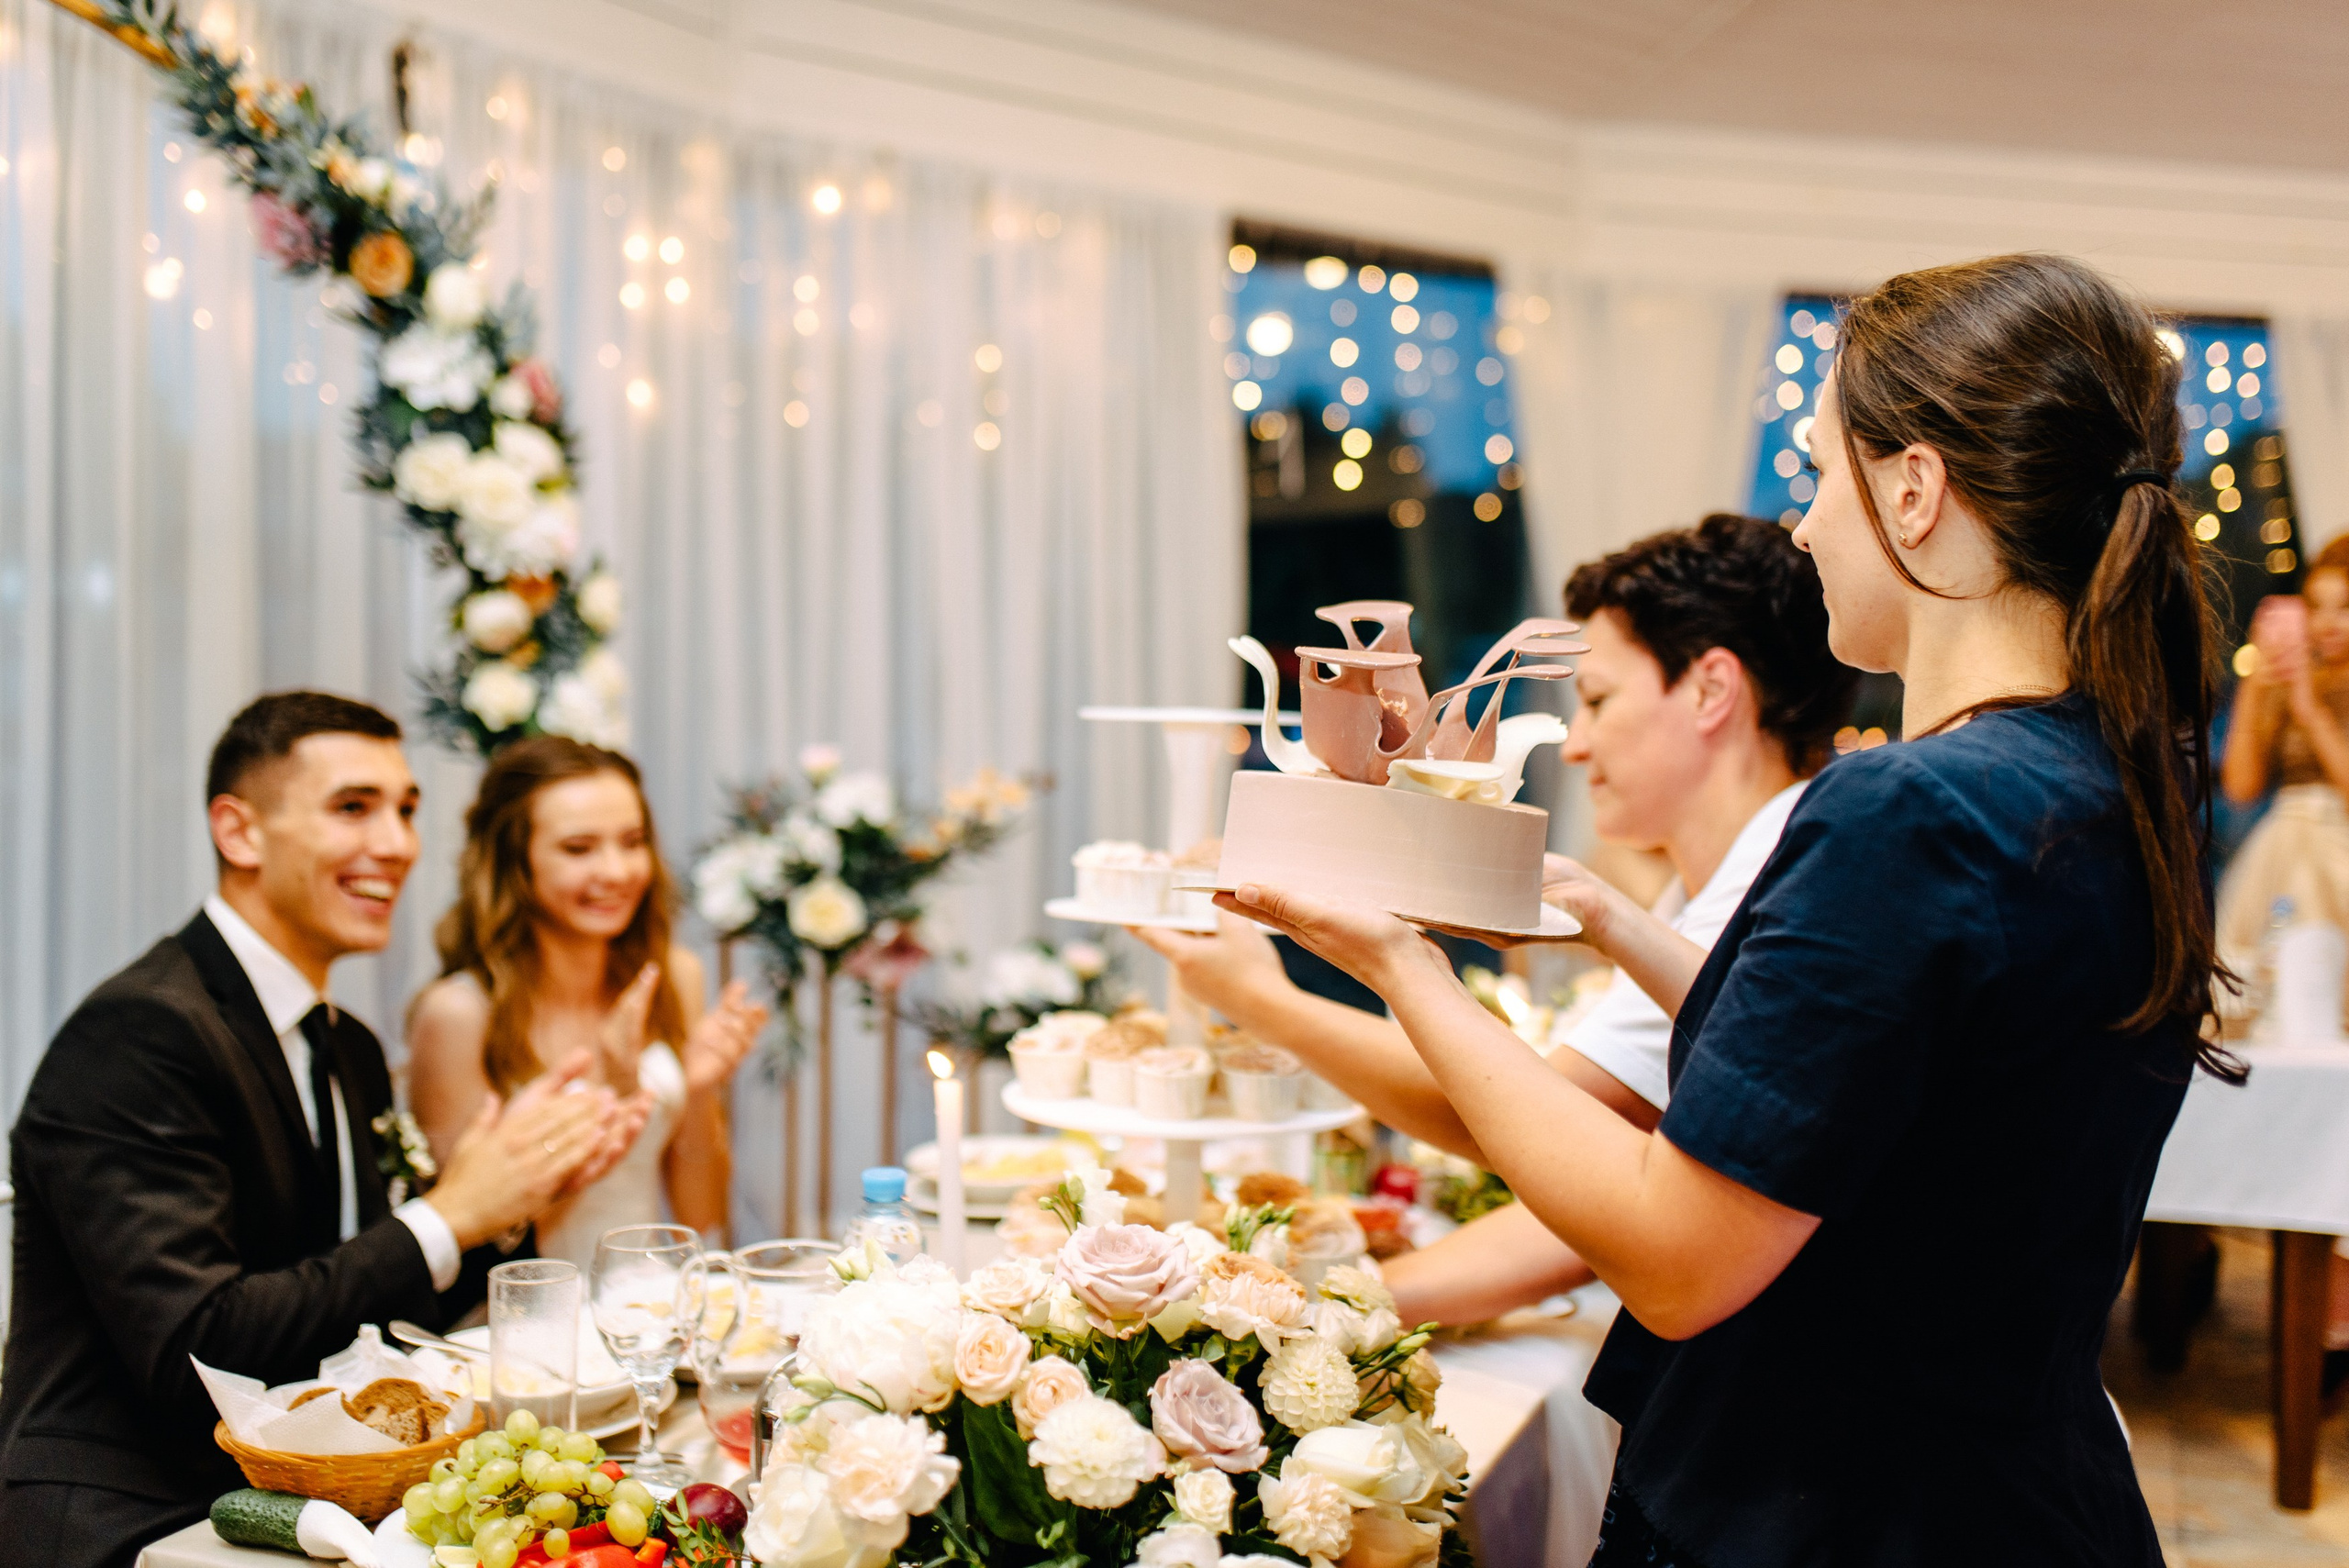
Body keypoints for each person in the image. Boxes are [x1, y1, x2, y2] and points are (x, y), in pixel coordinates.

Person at [1223, 253, 2231, 1565]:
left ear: (1915, 490)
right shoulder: (2108, 779)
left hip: (1833, 1511)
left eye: (1818, 474)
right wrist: (1605, 913)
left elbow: (1676, 1250)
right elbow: (1895, 1098)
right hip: (2022, 1492)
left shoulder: (1908, 810)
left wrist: (1399, 962)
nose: (1806, 525)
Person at [1136, 514, 1855, 1325]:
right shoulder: (1700, 889)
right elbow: (1623, 1186)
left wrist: (1266, 997)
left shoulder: (1773, 880)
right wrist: (1347, 1306)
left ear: (1711, 690)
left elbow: (1510, 1113)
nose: (1575, 745)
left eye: (1597, 699)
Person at [0, 693, 649, 1568]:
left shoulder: (345, 1045)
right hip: (133, 1511)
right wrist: (448, 1215)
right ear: (240, 833)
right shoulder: (140, 1032)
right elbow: (202, 1344)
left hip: (296, 1491)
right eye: (355, 807)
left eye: (407, 810)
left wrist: (518, 1197)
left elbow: (356, 1298)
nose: (398, 843)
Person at [408, 736, 766, 1268]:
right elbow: (474, 1249)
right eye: (579, 849)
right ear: (515, 860)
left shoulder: (672, 977)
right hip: (521, 1319)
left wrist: (697, 1091)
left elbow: (702, 1218)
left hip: (645, 1309)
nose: (617, 872)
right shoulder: (458, 1014)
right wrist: (608, 1097)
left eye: (632, 841)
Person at [2217, 534, 2349, 1034]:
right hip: (2282, 843)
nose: (2327, 624)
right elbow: (2241, 786)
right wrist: (2258, 680)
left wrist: (2308, 709)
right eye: (2316, 606)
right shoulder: (2296, 678)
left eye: (2345, 608)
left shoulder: (2316, 692)